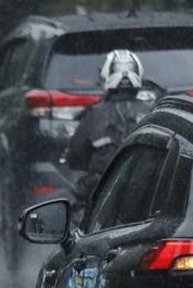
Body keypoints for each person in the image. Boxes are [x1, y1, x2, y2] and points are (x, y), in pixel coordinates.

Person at [63, 49, 163, 198]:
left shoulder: (94, 115)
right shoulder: (153, 113)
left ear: (105, 76)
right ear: (139, 75)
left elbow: (75, 157)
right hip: (146, 195)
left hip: (103, 196)